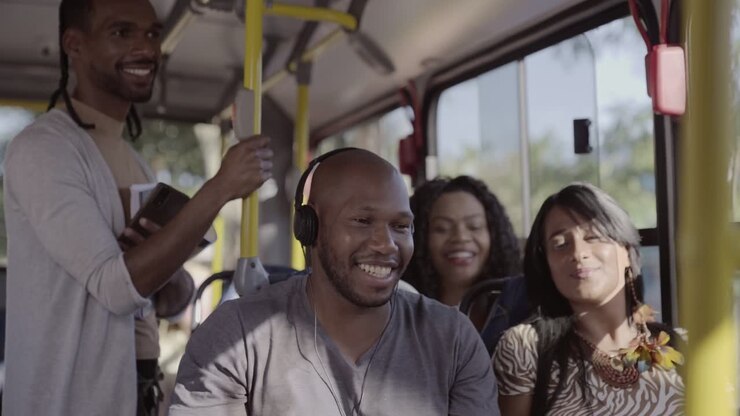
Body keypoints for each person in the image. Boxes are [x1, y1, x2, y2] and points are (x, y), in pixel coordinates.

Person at [2, 0, 273, 415]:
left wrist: (169, 280)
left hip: (136, 390)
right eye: (121, 33)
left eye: (152, 34)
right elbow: (115, 288)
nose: (145, 48)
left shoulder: (133, 160)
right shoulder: (43, 149)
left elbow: (168, 298)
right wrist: (219, 189)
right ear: (74, 44)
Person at [169, 149, 500, 416]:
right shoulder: (235, 337)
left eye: (401, 226)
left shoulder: (454, 339)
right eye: (362, 221)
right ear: (309, 228)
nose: (386, 245)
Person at [492, 183, 685, 416]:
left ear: (626, 249)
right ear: (546, 265)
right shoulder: (525, 348)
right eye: (560, 244)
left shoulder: (685, 346)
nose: (578, 253)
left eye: (593, 237)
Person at [402, 176, 524, 332]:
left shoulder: (522, 310)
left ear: (494, 234)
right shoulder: (402, 309)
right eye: (442, 228)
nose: (460, 237)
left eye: (474, 226)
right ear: (418, 236)